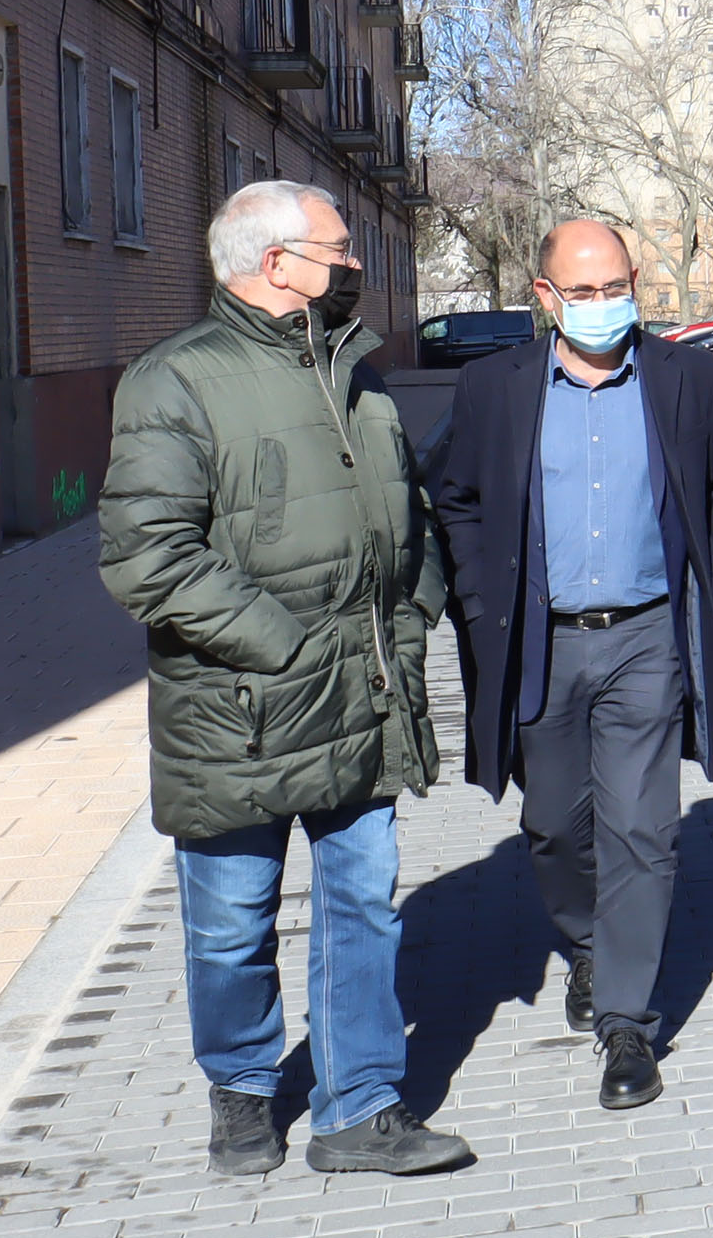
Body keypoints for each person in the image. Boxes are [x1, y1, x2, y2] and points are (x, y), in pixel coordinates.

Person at [98, 180, 467, 1177]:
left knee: (363, 909)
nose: (355, 265)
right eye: (339, 249)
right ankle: (242, 1089)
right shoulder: (173, 381)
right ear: (276, 263)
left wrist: (413, 609)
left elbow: (407, 510)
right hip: (240, 709)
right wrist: (286, 647)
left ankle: (360, 1107)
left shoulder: (355, 372)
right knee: (230, 922)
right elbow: (146, 557)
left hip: (364, 695)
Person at [426, 217, 713, 1114]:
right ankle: (586, 944)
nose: (604, 304)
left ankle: (626, 1021)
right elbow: (456, 499)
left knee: (644, 831)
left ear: (635, 283)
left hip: (648, 639)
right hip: (542, 641)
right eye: (583, 292)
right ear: (545, 297)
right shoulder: (495, 387)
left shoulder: (687, 377)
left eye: (616, 287)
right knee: (554, 828)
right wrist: (480, 605)